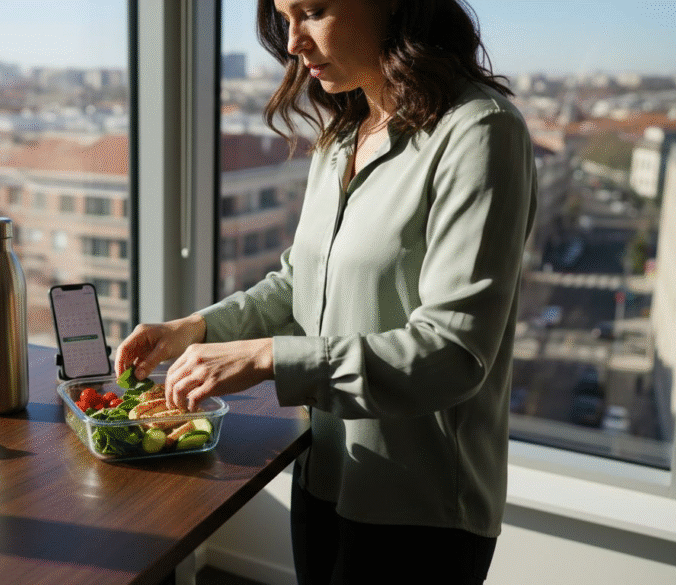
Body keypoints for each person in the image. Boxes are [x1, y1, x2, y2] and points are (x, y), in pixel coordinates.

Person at [115, 0, 537, 582]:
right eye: (285, 18)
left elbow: (453, 354)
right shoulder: (343, 134)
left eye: (312, 11)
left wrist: (267, 357)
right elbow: (299, 283)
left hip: (420, 513)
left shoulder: (479, 131)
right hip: (324, 473)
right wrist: (197, 328)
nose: (293, 43)